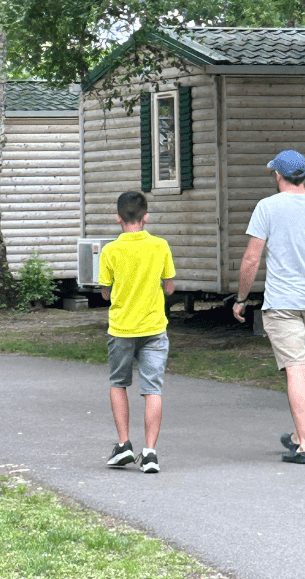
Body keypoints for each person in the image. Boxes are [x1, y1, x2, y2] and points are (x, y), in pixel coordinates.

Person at [233, 149, 305, 465]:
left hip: (283, 302)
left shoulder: (267, 207)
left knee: (295, 370)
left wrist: (241, 298)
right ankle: (300, 435)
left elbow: (251, 258)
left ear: (278, 176)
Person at [99, 190, 176, 473]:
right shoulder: (161, 246)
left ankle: (123, 445)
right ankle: (151, 452)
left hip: (121, 328)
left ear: (118, 218)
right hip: (154, 326)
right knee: (152, 389)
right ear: (146, 218)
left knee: (119, 383)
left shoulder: (110, 251)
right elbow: (169, 287)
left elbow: (106, 294)